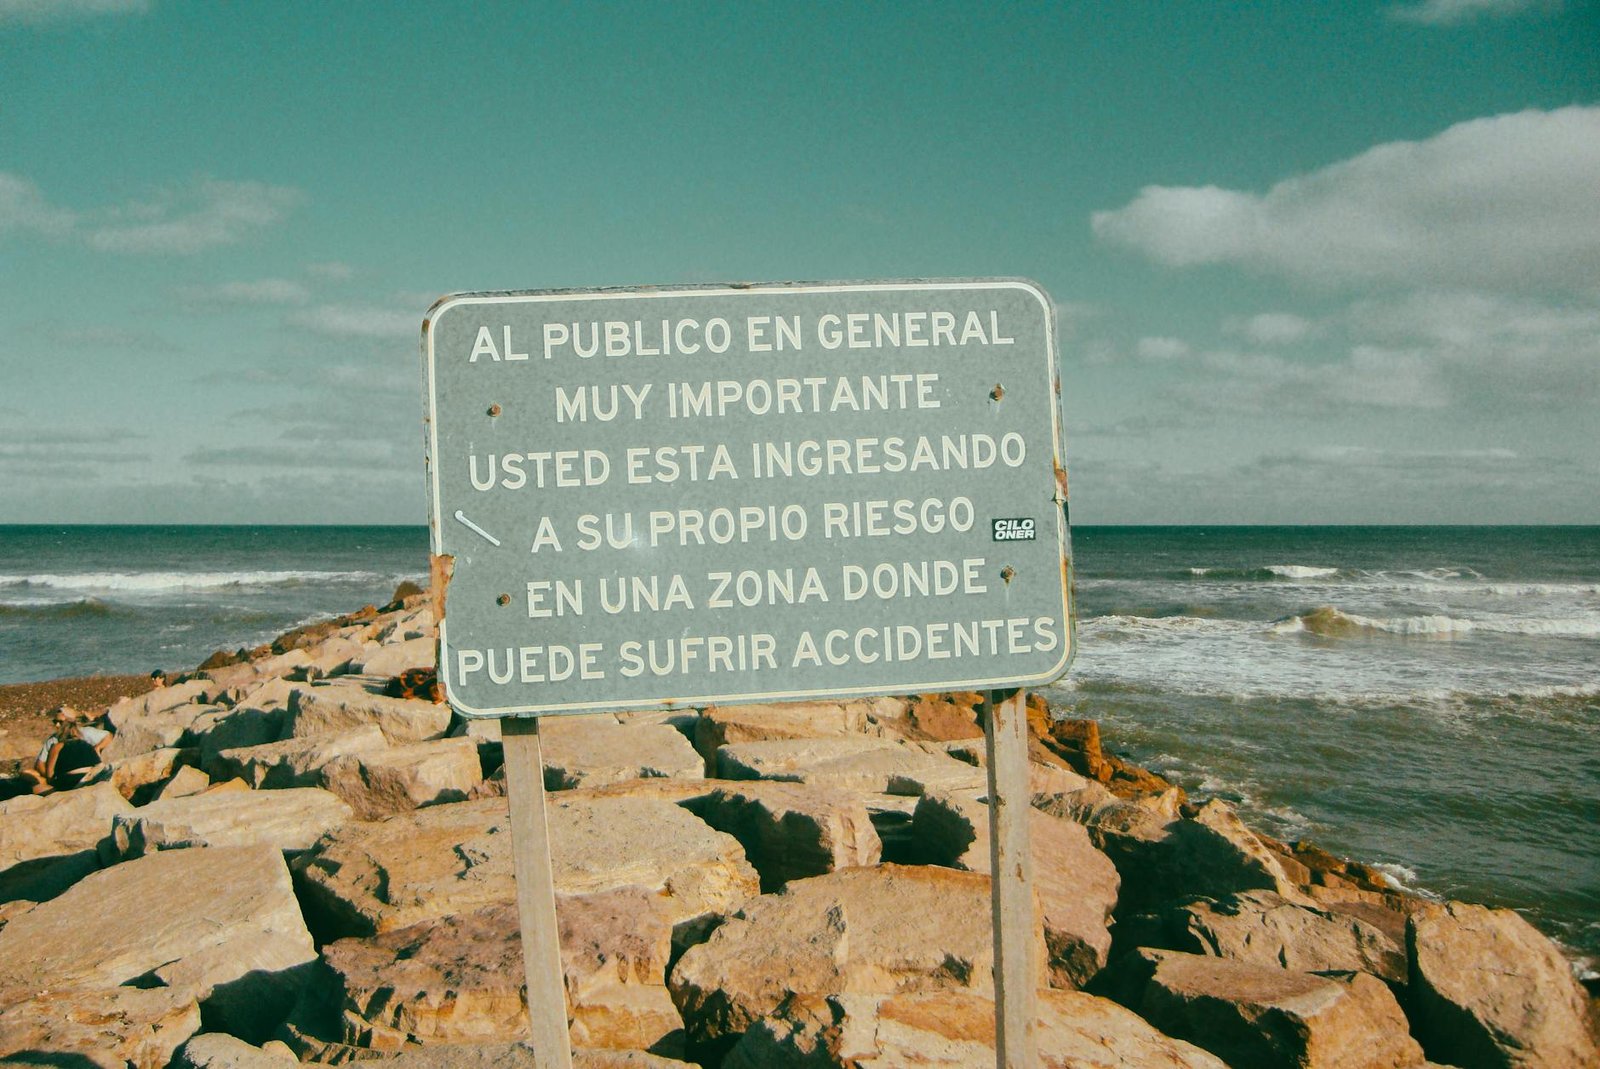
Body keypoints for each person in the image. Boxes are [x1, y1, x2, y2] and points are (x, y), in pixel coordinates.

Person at [26, 708, 114, 793]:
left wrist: (51, 780)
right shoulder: (84, 743)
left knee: (35, 784)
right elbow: (40, 764)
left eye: (60, 722)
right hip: (89, 776)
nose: (57, 725)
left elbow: (49, 774)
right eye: (55, 722)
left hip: (68, 780)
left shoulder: (57, 745)